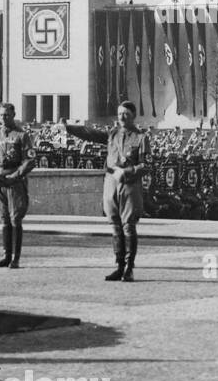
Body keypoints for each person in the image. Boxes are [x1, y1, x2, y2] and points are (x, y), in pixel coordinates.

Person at [59, 101, 150, 281]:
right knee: (115, 226)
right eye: (119, 114)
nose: (122, 117)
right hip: (111, 183)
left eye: (126, 114)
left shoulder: (141, 138)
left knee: (128, 226)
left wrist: (127, 171)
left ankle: (129, 268)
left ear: (133, 116)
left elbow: (147, 165)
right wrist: (68, 128)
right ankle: (119, 266)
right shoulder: (112, 134)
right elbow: (89, 134)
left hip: (129, 185)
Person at [0, 103, 36, 267]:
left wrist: (15, 175)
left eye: (6, 115)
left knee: (15, 219)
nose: (3, 118)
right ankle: (6, 255)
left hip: (15, 181)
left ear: (13, 115)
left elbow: (30, 160)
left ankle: (16, 258)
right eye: (0, 115)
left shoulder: (22, 135)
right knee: (4, 219)